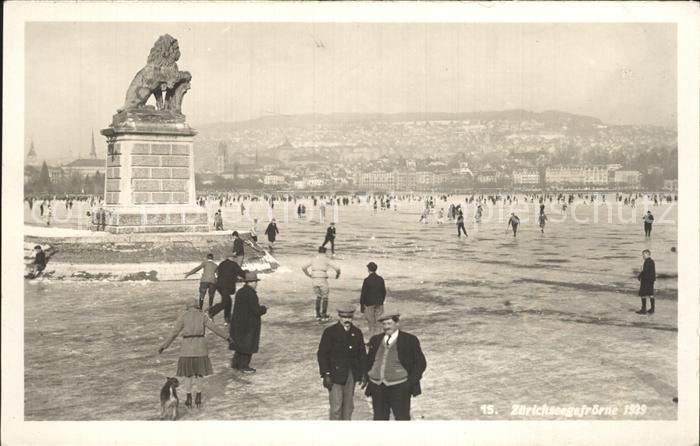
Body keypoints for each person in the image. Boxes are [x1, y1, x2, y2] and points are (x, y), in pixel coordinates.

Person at [158, 298, 231, 409]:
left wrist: (164, 346)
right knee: (199, 374)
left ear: (187, 306)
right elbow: (214, 328)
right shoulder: (202, 316)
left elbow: (174, 333)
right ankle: (198, 396)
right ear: (197, 305)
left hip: (186, 350)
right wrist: (227, 337)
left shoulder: (183, 316)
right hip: (200, 348)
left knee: (188, 375)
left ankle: (188, 397)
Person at [364, 310, 427, 421]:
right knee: (379, 419)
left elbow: (420, 363)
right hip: (378, 387)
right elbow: (369, 361)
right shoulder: (376, 340)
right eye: (384, 324)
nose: (386, 327)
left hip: (400, 388)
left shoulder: (409, 340)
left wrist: (409, 383)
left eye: (389, 324)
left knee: (402, 419)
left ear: (397, 324)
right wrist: (368, 378)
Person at [317, 303, 367, 420]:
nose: (347, 320)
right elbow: (322, 354)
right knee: (336, 408)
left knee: (348, 407)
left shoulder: (357, 332)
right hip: (335, 375)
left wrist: (364, 373)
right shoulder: (330, 332)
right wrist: (326, 374)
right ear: (339, 317)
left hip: (351, 374)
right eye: (344, 317)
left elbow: (362, 355)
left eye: (349, 317)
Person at [229, 271, 267, 373]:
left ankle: (236, 363)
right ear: (252, 282)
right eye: (256, 282)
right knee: (248, 345)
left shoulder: (240, 292)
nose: (256, 284)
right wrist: (264, 308)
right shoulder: (251, 294)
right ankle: (244, 366)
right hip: (249, 324)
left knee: (240, 344)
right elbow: (256, 310)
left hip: (238, 322)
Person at [302, 246, 341, 321]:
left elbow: (303, 267)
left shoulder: (313, 259)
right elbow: (337, 268)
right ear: (325, 252)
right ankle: (324, 314)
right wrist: (338, 274)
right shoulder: (326, 259)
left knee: (318, 296)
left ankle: (317, 314)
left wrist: (308, 274)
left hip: (314, 278)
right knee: (325, 297)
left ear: (318, 251)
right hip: (322, 278)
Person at [209, 254, 246, 323]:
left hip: (219, 286)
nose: (236, 259)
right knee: (225, 302)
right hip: (226, 286)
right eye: (235, 258)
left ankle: (227, 318)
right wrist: (247, 274)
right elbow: (241, 273)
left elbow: (221, 274)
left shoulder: (222, 264)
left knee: (228, 301)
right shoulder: (234, 264)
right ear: (232, 258)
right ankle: (211, 312)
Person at [360, 262, 387, 337]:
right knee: (379, 323)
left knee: (371, 324)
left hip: (369, 304)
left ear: (368, 269)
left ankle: (372, 339)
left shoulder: (367, 280)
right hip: (379, 303)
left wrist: (362, 305)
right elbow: (384, 291)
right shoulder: (380, 279)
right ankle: (379, 339)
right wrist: (381, 301)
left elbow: (363, 294)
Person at [636, 249, 656, 314]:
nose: (643, 256)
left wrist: (639, 276)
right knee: (651, 294)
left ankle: (643, 310)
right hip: (651, 281)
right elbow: (653, 272)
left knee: (643, 294)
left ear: (648, 254)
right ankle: (652, 309)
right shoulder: (652, 261)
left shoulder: (647, 262)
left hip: (646, 280)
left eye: (644, 255)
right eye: (643, 255)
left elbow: (645, 271)